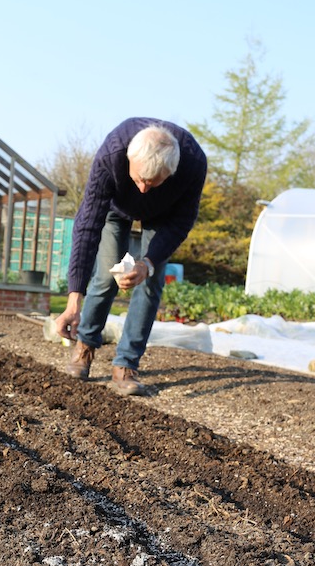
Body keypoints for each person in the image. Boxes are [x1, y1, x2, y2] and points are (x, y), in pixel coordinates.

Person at [55, 117, 207, 395]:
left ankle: (126, 363)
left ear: (171, 172)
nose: (143, 189)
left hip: (163, 216)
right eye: (138, 178)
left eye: (152, 182)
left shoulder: (194, 163)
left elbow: (182, 222)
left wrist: (147, 263)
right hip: (116, 210)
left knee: (150, 283)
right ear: (128, 160)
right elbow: (88, 225)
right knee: (108, 276)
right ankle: (86, 345)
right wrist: (74, 298)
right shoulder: (112, 154)